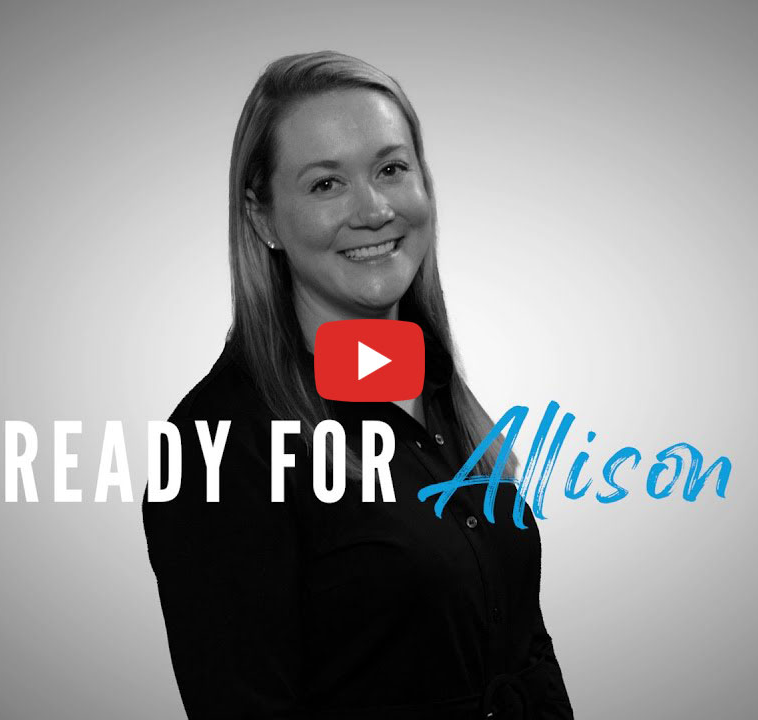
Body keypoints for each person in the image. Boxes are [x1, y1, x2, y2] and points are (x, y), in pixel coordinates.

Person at [143, 50, 575, 719]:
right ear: (262, 218)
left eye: (391, 169)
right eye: (325, 184)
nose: (373, 210)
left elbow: (524, 650)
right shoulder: (222, 442)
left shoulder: (438, 393)